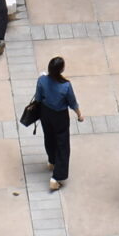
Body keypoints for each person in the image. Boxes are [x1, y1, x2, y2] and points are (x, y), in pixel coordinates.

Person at [32, 56, 79, 191]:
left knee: (49, 137)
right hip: (60, 116)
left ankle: (52, 161)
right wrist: (79, 114)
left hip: (45, 113)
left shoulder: (42, 80)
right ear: (61, 70)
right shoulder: (65, 85)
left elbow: (38, 97)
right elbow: (72, 102)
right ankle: (56, 177)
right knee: (63, 145)